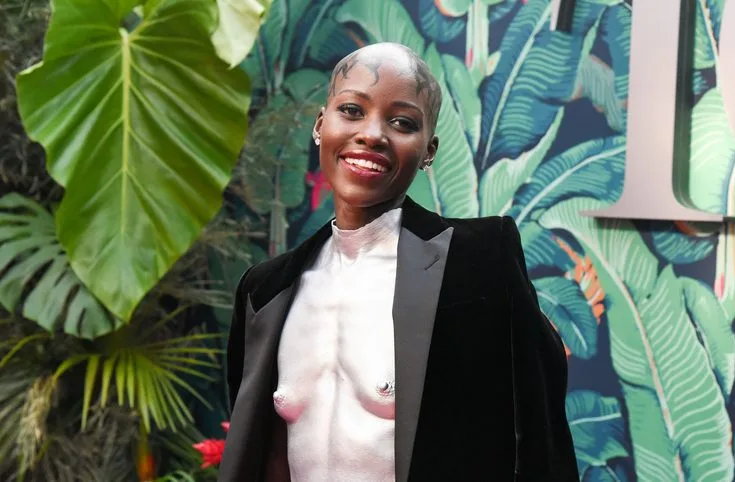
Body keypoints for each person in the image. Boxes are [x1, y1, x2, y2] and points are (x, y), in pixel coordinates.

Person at [218, 42, 578, 482]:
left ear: (428, 150)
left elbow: (540, 439)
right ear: (320, 125)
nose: (372, 134)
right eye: (351, 110)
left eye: (402, 122)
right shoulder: (264, 290)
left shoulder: (480, 260)